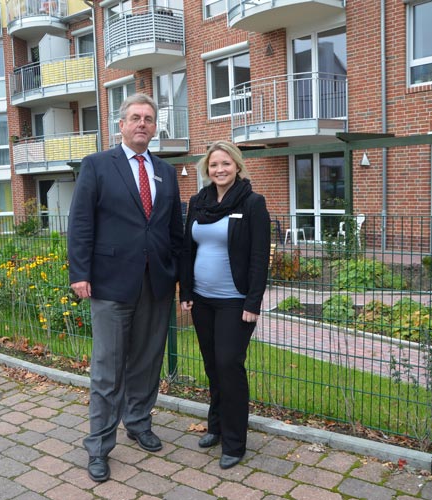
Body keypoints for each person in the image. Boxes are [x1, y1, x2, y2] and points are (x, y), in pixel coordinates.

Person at [68, 93, 183, 482]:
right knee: (107, 370)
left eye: (149, 119)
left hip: (157, 283)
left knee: (148, 361)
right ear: (121, 124)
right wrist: (79, 272)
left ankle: (138, 422)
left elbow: (174, 231)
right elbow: (81, 222)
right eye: (135, 117)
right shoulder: (98, 166)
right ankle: (99, 446)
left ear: (155, 127)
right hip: (111, 284)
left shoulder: (166, 173)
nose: (142, 124)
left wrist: (180, 276)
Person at [179, 140, 271, 469]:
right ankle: (216, 427)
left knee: (229, 366)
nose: (220, 169)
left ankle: (235, 443)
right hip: (202, 300)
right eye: (214, 165)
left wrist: (253, 302)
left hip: (236, 303)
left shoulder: (252, 203)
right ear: (207, 169)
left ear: (237, 166)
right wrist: (186, 291)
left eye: (226, 164)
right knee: (213, 367)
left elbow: (260, 258)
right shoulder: (198, 202)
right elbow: (187, 250)